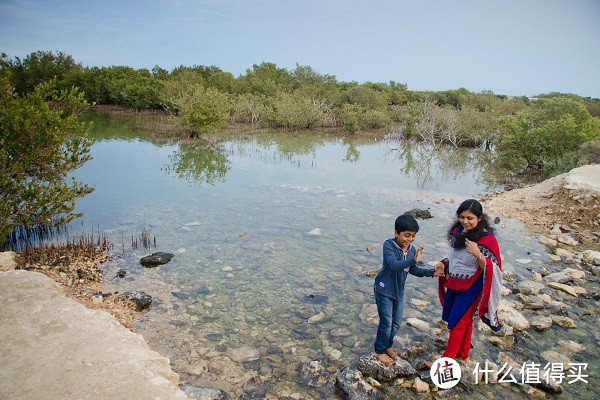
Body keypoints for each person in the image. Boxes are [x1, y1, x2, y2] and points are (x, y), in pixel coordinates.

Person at [434, 199, 502, 361]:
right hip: (455, 282)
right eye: (462, 217)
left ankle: (447, 359)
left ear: (479, 218)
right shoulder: (458, 231)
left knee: (458, 321)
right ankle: (463, 353)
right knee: (465, 320)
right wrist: (443, 263)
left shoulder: (486, 239)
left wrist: (477, 254)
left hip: (472, 286)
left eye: (470, 218)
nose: (465, 221)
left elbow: (493, 268)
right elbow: (452, 254)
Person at [373, 214, 444, 365]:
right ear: (396, 233)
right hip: (384, 289)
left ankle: (388, 345)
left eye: (413, 236)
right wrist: (412, 260)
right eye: (406, 235)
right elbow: (393, 265)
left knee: (396, 322)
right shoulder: (389, 245)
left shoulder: (411, 249)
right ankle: (379, 350)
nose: (409, 239)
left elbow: (413, 269)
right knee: (386, 322)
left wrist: (431, 272)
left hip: (398, 291)